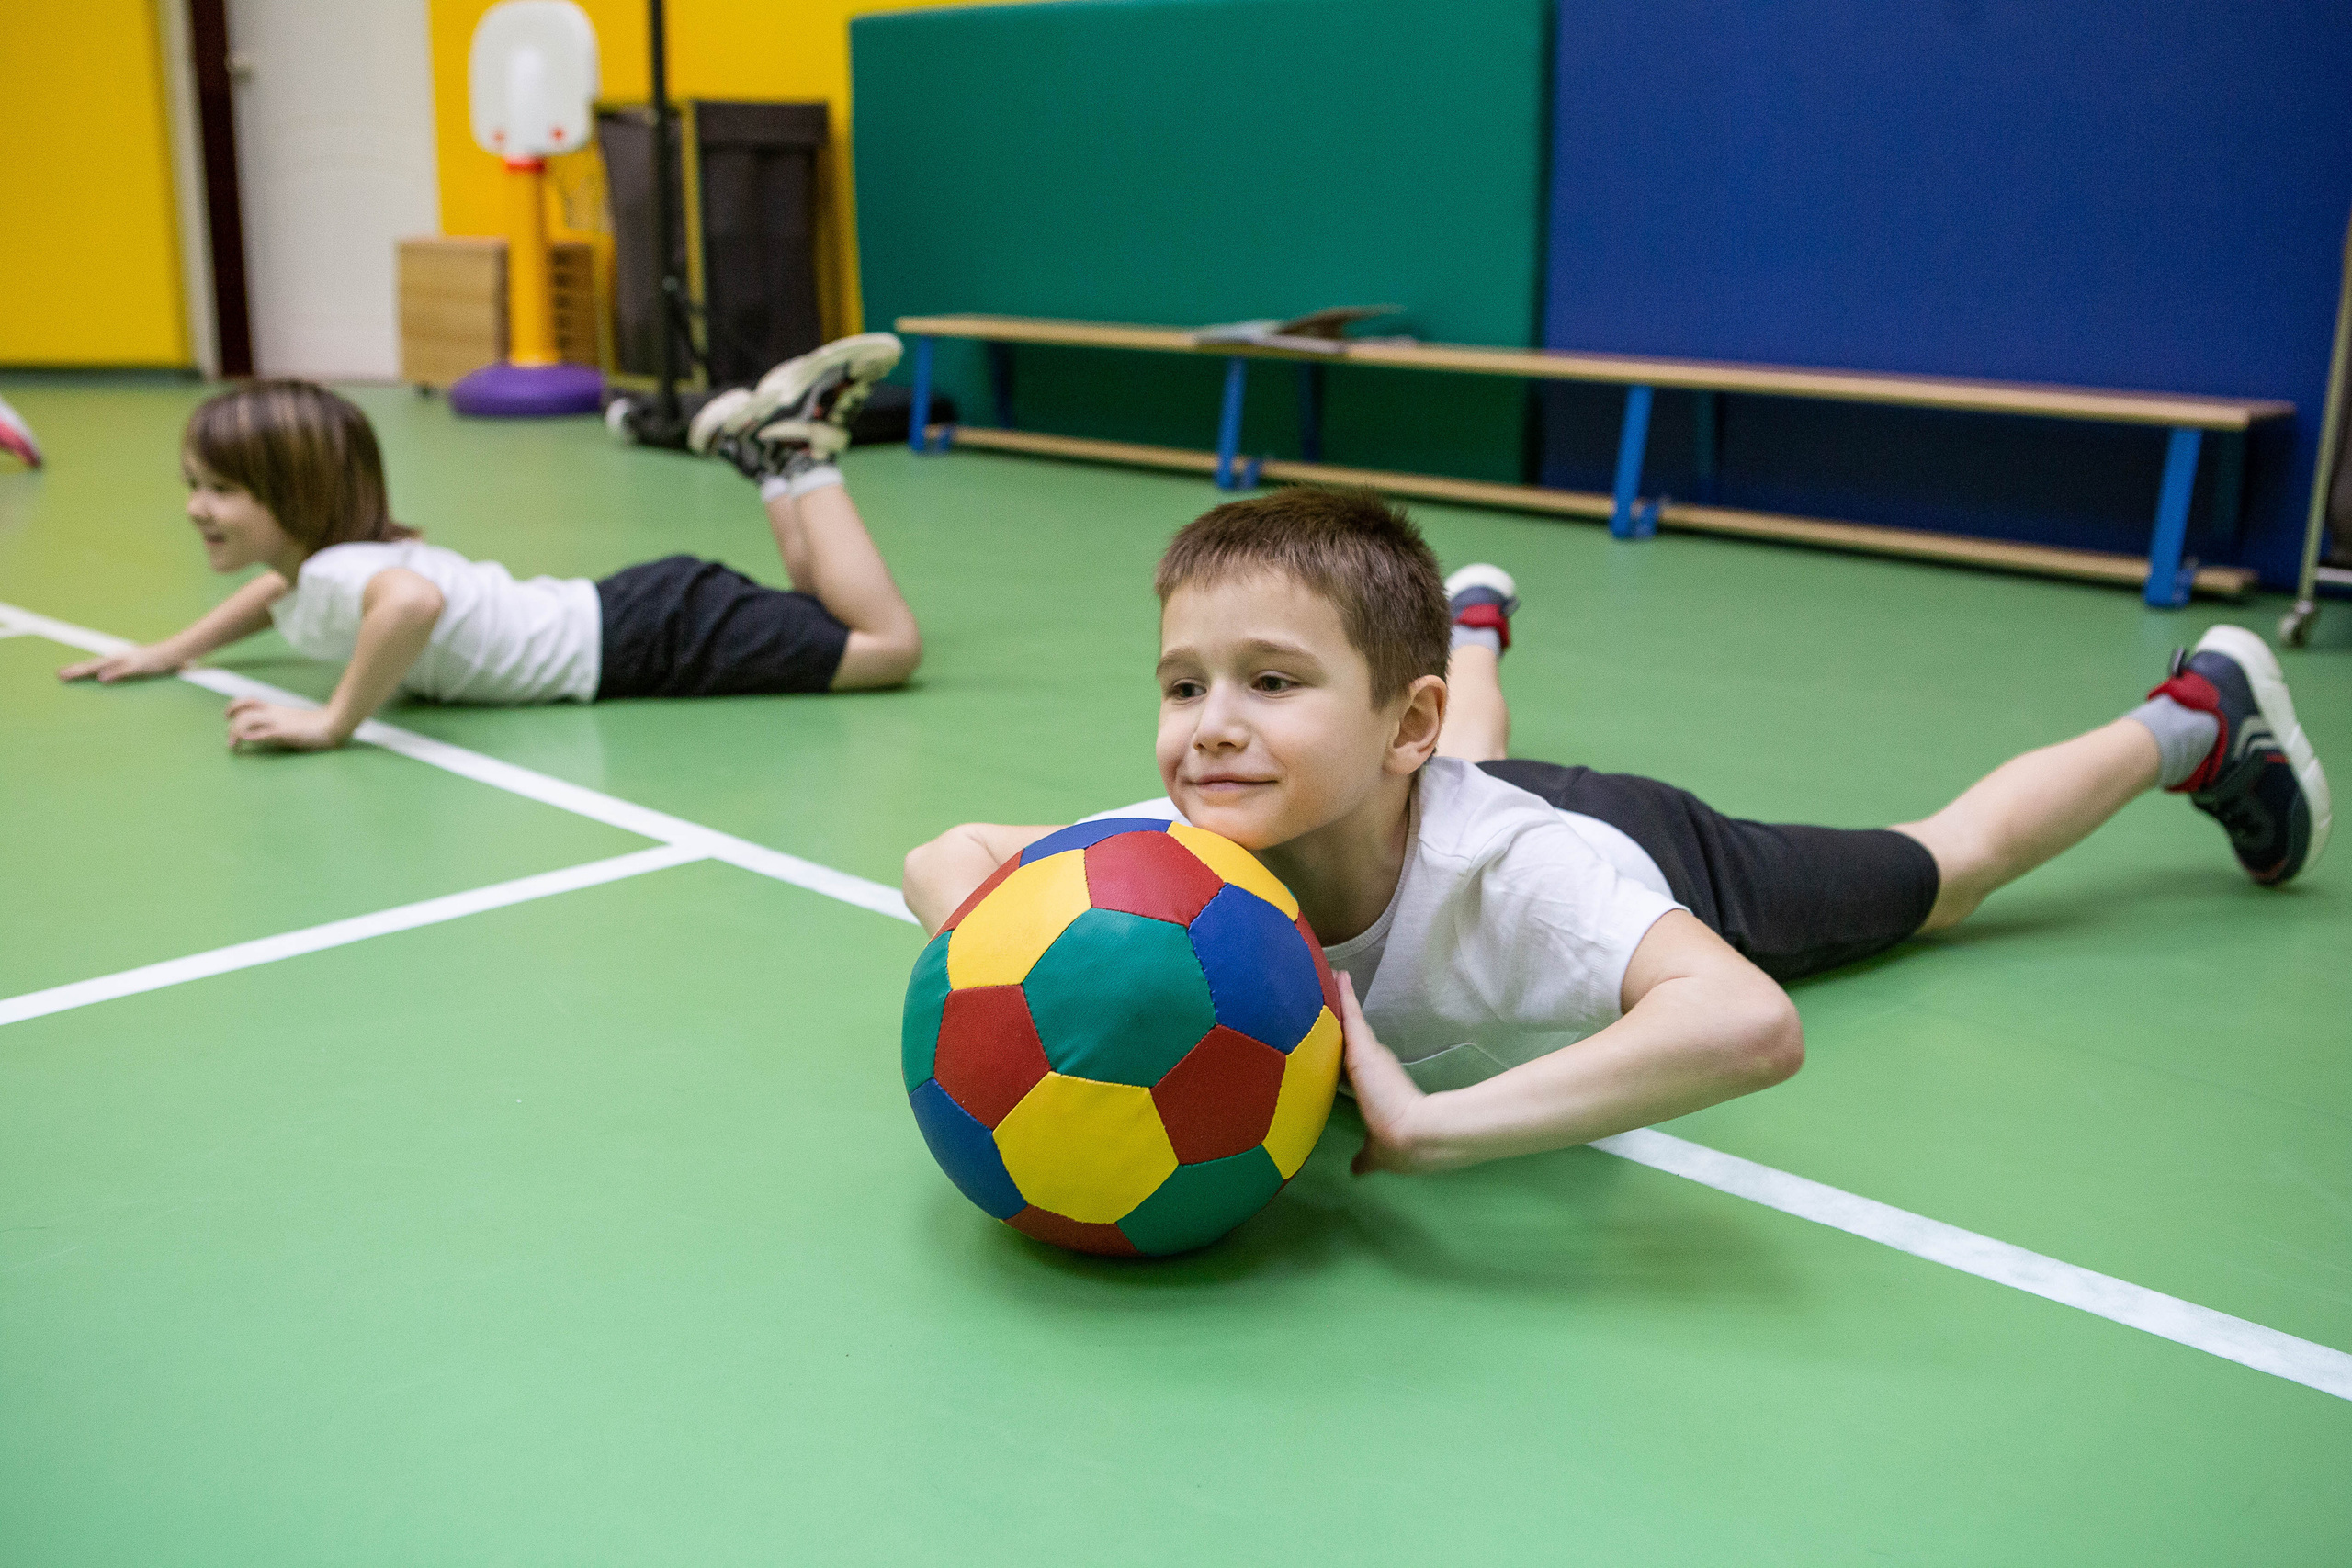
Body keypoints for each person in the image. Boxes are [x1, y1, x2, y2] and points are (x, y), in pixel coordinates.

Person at [903, 486, 2330, 1177]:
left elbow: (1750, 1023)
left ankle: (2194, 716)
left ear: (1371, 712)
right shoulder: (1190, 839)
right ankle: (1469, 628)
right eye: (1182, 683)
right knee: (1449, 756)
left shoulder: (1539, 874)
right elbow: (948, 853)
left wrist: (1432, 1122)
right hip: (1417, 777)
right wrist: (1032, 970)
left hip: (1630, 838)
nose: (1210, 722)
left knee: (1938, 869)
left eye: (1269, 680)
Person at [60, 333, 922, 749]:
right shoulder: (323, 565)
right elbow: (276, 593)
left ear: (294, 495)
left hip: (643, 641)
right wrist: (174, 649)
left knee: (885, 647)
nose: (196, 509)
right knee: (824, 617)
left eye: (221, 490)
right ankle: (771, 461)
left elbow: (412, 602)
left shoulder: (339, 573)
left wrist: (333, 719)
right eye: (194, 487)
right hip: (637, 618)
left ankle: (800, 459)